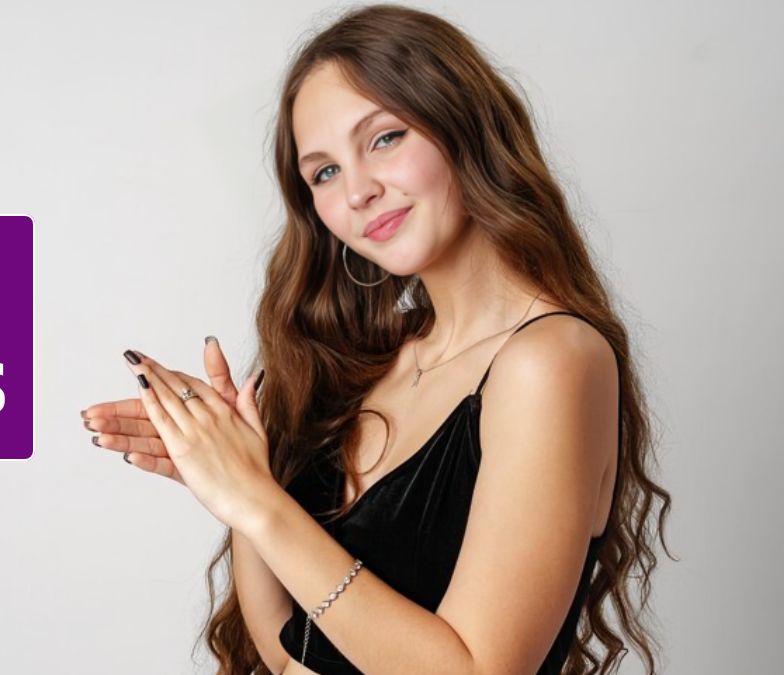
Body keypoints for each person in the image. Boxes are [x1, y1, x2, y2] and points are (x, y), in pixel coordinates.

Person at [81, 4, 673, 674]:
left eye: (385, 137)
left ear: (463, 127)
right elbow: (289, 656)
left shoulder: (552, 360)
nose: (357, 190)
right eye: (324, 172)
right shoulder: (376, 362)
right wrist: (246, 476)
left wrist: (260, 500)